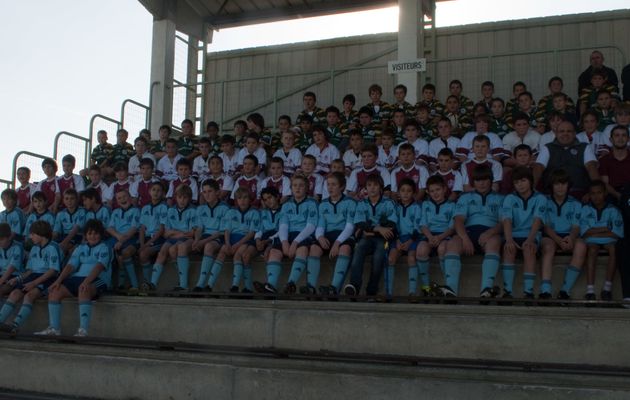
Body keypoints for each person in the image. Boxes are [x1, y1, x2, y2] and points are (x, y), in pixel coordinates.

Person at [34, 219, 112, 337]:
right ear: (85, 235)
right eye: (90, 233)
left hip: (98, 280)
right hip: (78, 278)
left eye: (96, 233)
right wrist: (58, 281)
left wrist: (86, 282)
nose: (93, 236)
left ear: (101, 234)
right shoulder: (80, 248)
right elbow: (70, 266)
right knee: (55, 291)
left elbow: (99, 267)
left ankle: (83, 330)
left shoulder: (105, 247)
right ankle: (54, 329)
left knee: (83, 289)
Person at [448, 164, 504, 299]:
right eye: (478, 180)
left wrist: (489, 233)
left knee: (494, 242)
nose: (482, 183)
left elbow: (504, 223)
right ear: (474, 182)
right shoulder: (465, 197)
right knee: (453, 243)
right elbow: (459, 221)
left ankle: (486, 290)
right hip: (469, 232)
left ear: (491, 180)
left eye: (485, 179)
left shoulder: (501, 198)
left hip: (490, 233)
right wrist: (465, 238)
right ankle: (450, 290)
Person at [0, 221, 61, 334]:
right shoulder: (34, 249)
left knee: (30, 295)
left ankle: (15, 326)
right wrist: (17, 279)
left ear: (41, 234)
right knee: (15, 293)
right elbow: (30, 271)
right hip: (33, 276)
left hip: (47, 277)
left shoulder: (53, 247)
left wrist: (34, 283)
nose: (30, 236)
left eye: (32, 234)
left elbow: (53, 270)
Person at [344, 174, 396, 297]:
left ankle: (371, 291)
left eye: (375, 185)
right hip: (366, 238)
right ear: (365, 188)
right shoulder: (362, 204)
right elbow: (360, 223)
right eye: (369, 185)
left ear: (381, 188)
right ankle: (354, 287)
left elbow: (391, 224)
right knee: (358, 250)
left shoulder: (389, 203)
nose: (372, 188)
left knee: (378, 257)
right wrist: (378, 228)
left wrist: (371, 228)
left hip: (383, 239)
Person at [500, 166, 546, 300]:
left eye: (523, 181)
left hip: (531, 234)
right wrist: (508, 240)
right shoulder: (510, 198)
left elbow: (537, 220)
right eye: (516, 182)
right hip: (513, 234)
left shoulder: (540, 198)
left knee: (529, 249)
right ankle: (507, 292)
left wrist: (530, 239)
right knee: (508, 249)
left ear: (531, 181)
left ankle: (528, 292)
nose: (519, 185)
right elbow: (507, 220)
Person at [540, 169, 586, 301]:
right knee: (548, 247)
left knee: (581, 245)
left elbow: (576, 226)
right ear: (551, 185)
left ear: (568, 185)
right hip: (550, 236)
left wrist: (571, 238)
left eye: (563, 184)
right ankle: (546, 291)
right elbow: (545, 226)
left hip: (569, 235)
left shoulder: (576, 203)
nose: (560, 187)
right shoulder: (544, 201)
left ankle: (565, 291)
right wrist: (558, 240)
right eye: (556, 184)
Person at [310, 173, 356, 296]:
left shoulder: (350, 202)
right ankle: (310, 287)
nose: (330, 188)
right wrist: (320, 237)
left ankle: (334, 288)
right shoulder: (323, 204)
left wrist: (337, 243)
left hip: (344, 236)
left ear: (342, 187)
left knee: (345, 249)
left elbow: (350, 227)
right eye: (328, 184)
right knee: (314, 248)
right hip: (328, 235)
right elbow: (320, 225)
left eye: (334, 185)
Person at [534, 120, 599, 200]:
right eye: (562, 131)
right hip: (552, 195)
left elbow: (591, 167)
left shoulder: (584, 147)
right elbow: (539, 167)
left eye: (569, 131)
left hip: (579, 193)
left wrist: (594, 192)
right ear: (556, 134)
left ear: (575, 134)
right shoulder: (547, 147)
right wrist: (532, 190)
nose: (565, 134)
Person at [147, 185, 196, 291]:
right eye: (180, 197)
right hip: (175, 237)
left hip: (186, 239)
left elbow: (191, 233)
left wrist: (174, 232)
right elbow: (165, 234)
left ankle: (183, 284)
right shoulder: (171, 210)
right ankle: (152, 284)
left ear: (189, 198)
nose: (182, 200)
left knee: (174, 249)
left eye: (185, 198)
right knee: (162, 253)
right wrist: (180, 233)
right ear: (175, 197)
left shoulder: (193, 210)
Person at [581, 180, 624, 301]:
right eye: (593, 193)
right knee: (592, 250)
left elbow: (617, 233)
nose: (596, 196)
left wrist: (594, 230)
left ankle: (607, 288)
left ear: (605, 193)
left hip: (608, 240)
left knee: (614, 249)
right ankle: (590, 290)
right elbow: (583, 232)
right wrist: (604, 229)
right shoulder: (585, 209)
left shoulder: (613, 210)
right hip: (592, 241)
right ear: (589, 194)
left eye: (599, 193)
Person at [276, 175, 319, 294]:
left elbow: (311, 226)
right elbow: (283, 225)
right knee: (275, 251)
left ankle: (290, 283)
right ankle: (271, 284)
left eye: (301, 185)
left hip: (304, 235)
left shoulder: (312, 203)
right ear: (291, 188)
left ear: (307, 188)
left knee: (303, 249)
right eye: (295, 185)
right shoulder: (286, 205)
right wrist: (284, 243)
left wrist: (295, 242)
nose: (298, 188)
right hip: (288, 235)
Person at [415, 175, 456, 296]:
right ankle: (426, 287)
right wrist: (430, 237)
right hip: (429, 235)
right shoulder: (425, 205)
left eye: (438, 190)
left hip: (444, 235)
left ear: (444, 189)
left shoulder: (452, 205)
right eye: (432, 191)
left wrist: (440, 237)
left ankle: (446, 286)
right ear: (427, 192)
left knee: (443, 249)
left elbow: (452, 227)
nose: (435, 193)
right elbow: (423, 224)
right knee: (421, 250)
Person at [218, 187, 260, 293]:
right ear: (236, 200)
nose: (242, 200)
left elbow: (252, 233)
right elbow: (227, 230)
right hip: (231, 239)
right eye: (239, 198)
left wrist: (237, 245)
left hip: (245, 240)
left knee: (238, 255)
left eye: (245, 198)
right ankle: (208, 284)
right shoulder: (231, 211)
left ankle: (236, 286)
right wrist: (227, 243)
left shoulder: (254, 212)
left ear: (250, 199)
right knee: (221, 252)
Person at [190, 182, 230, 292]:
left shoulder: (225, 208)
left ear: (217, 192)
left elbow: (222, 231)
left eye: (210, 191)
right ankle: (182, 284)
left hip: (218, 237)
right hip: (204, 237)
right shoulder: (201, 208)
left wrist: (202, 242)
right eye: (204, 192)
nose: (207, 195)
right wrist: (197, 240)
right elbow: (199, 228)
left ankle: (201, 284)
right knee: (180, 247)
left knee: (208, 246)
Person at [385, 178, 422, 297]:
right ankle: (388, 292)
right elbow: (392, 225)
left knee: (411, 258)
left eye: (409, 191)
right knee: (390, 258)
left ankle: (412, 292)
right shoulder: (395, 207)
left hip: (413, 238)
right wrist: (396, 240)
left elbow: (418, 227)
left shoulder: (417, 207)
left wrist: (411, 240)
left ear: (414, 193)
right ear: (398, 193)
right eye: (403, 191)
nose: (405, 193)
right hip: (398, 239)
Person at [106, 190, 140, 293]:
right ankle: (109, 284)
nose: (122, 199)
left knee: (124, 254)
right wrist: (119, 237)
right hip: (117, 237)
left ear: (130, 197)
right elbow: (109, 228)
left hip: (131, 238)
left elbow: (134, 229)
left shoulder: (136, 211)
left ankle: (135, 285)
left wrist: (122, 240)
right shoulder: (116, 212)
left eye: (124, 196)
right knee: (104, 251)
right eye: (119, 198)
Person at [137, 182, 168, 289]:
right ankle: (146, 282)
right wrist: (142, 244)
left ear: (163, 194)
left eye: (159, 190)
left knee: (143, 254)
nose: (156, 192)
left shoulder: (164, 207)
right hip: (145, 238)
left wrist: (146, 245)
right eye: (154, 189)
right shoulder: (145, 207)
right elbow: (142, 228)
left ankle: (148, 282)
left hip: (158, 238)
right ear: (150, 192)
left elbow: (162, 229)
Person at [253, 187, 284, 294]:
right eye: (265, 199)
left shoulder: (284, 210)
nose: (268, 201)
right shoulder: (263, 212)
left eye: (270, 198)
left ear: (277, 197)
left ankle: (270, 285)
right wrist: (257, 240)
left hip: (278, 238)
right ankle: (269, 286)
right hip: (264, 239)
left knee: (269, 252)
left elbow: (282, 230)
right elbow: (259, 228)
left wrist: (268, 242)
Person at [599, 125, 630, 201]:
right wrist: (618, 196)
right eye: (617, 135)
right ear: (611, 139)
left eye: (624, 135)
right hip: (612, 195)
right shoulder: (604, 160)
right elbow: (605, 183)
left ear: (628, 139)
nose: (620, 138)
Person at [53, 188, 86, 257]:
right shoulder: (60, 214)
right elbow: (56, 232)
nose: (69, 201)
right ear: (63, 200)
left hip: (77, 236)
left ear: (77, 200)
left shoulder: (82, 211)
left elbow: (75, 230)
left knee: (62, 248)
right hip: (64, 236)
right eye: (66, 199)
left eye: (72, 198)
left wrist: (63, 243)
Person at [0, 223, 25, 296]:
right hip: (2, 274)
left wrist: (1, 281)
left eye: (1, 239)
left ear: (9, 237)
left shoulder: (17, 247)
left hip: (14, 276)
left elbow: (12, 268)